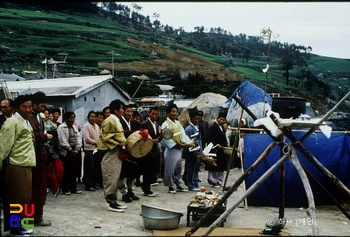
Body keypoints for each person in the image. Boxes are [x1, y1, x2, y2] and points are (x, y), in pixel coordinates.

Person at [0, 94, 36, 236]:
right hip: (16, 165)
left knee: (26, 198)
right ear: (16, 108)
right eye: (24, 106)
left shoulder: (26, 121)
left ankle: (25, 224)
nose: (28, 109)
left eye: (30, 106)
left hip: (26, 164)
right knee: (16, 199)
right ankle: (15, 229)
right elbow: (3, 146)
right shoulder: (12, 122)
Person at [28, 91, 53, 227]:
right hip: (28, 160)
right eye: (42, 106)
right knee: (29, 192)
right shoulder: (26, 119)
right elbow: (33, 136)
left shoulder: (36, 117)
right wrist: (44, 137)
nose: (44, 109)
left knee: (38, 190)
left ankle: (32, 219)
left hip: (36, 158)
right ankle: (29, 220)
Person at [97, 99, 127, 212]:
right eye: (121, 108)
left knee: (115, 177)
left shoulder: (116, 120)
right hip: (111, 152)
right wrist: (118, 144)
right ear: (116, 110)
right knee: (110, 177)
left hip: (117, 151)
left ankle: (114, 201)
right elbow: (105, 137)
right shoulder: (109, 120)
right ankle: (111, 202)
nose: (123, 111)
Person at [161, 103, 190, 194]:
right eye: (173, 111)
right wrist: (174, 145)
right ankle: (170, 185)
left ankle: (179, 184)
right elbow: (165, 137)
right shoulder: (165, 124)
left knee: (179, 167)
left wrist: (186, 142)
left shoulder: (177, 123)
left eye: (176, 111)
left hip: (179, 148)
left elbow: (183, 134)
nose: (175, 113)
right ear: (168, 113)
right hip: (171, 148)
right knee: (170, 167)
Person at [118, 104, 140, 203]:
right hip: (123, 150)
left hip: (132, 151)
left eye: (131, 112)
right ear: (123, 112)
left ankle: (131, 191)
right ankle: (124, 193)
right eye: (127, 111)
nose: (129, 114)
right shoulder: (120, 122)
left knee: (133, 172)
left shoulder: (133, 123)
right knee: (124, 173)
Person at [57, 112, 83, 195]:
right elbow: (62, 140)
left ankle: (73, 188)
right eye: (70, 118)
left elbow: (78, 139)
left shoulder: (75, 127)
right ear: (65, 119)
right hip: (66, 151)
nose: (72, 120)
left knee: (74, 170)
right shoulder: (61, 127)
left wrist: (76, 149)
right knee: (66, 171)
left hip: (74, 150)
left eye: (73, 118)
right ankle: (65, 189)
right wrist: (69, 149)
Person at [140, 107, 163, 197]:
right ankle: (146, 189)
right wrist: (150, 140)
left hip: (154, 150)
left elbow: (158, 137)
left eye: (156, 115)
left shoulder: (157, 125)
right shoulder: (144, 124)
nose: (154, 116)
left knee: (152, 170)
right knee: (146, 171)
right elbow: (141, 137)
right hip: (147, 150)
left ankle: (147, 188)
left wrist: (161, 135)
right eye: (152, 114)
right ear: (149, 114)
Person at [205, 107, 230, 188]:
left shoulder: (221, 126)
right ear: (217, 118)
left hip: (221, 149)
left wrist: (226, 144)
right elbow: (208, 138)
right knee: (214, 166)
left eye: (224, 120)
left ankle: (219, 181)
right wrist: (216, 144)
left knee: (221, 166)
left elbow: (223, 137)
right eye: (221, 119)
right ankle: (213, 181)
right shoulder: (212, 126)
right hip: (214, 149)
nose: (222, 121)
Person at [182, 106, 202, 191]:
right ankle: (190, 183)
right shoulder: (188, 129)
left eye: (198, 119)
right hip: (192, 152)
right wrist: (193, 150)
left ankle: (195, 182)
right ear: (191, 119)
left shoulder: (196, 127)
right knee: (190, 168)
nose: (196, 120)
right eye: (195, 119)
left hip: (197, 151)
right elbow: (187, 141)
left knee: (195, 168)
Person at [82, 111, 100, 191]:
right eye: (91, 117)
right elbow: (87, 138)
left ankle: (94, 183)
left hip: (96, 149)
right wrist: (95, 142)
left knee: (95, 167)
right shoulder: (86, 126)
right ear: (88, 117)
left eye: (94, 117)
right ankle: (88, 184)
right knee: (89, 167)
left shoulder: (96, 126)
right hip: (89, 149)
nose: (93, 118)